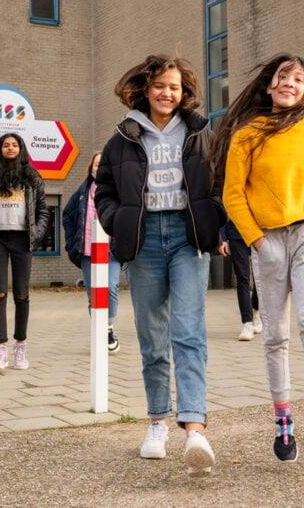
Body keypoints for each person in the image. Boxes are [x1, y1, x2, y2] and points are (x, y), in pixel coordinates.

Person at [94, 55, 226, 476]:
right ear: (145, 89)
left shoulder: (202, 133)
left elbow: (222, 181)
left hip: (188, 239)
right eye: (159, 86)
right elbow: (105, 191)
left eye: (175, 87)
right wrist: (118, 222)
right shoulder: (123, 138)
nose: (167, 93)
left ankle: (194, 428)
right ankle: (156, 422)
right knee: (152, 339)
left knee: (188, 331)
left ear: (184, 91)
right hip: (145, 238)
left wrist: (214, 221)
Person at [215, 54, 304, 462]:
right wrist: (255, 240)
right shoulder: (248, 133)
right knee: (275, 335)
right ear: (269, 85)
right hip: (267, 240)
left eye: (298, 79)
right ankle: (283, 424)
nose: (290, 83)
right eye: (283, 77)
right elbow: (232, 193)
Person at [0, 133, 50, 371]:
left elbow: (43, 211)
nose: (10, 148)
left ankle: (20, 346)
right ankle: (0, 349)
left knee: (21, 295)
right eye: (6, 145)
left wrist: (36, 234)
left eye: (14, 144)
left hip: (22, 239)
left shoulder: (31, 177)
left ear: (21, 148)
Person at [62, 151, 121, 352]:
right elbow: (67, 215)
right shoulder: (82, 191)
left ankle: (108, 326)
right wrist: (71, 243)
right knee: (93, 294)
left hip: (111, 251)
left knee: (110, 288)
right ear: (91, 168)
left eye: (103, 165)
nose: (99, 168)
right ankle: (100, 331)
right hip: (87, 251)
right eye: (96, 165)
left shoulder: (118, 190)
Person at [223, 220, 262, 341]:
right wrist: (223, 238)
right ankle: (247, 323)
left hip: (259, 233)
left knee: (259, 278)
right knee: (242, 278)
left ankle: (256, 310)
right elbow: (223, 209)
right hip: (236, 233)